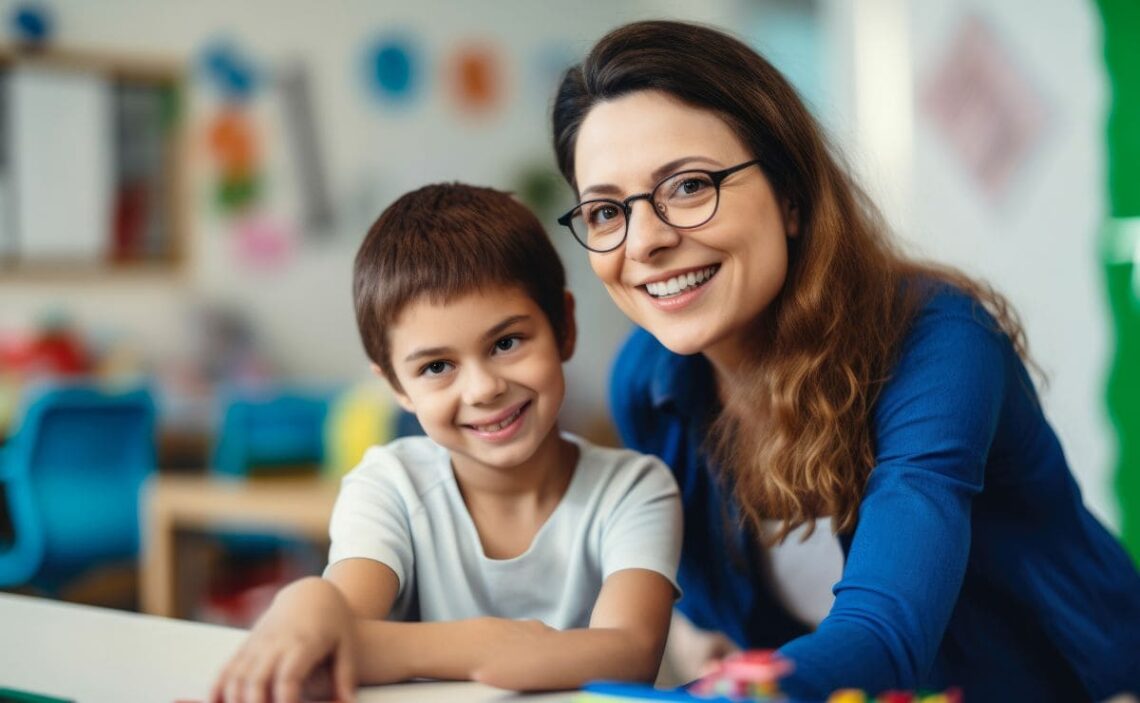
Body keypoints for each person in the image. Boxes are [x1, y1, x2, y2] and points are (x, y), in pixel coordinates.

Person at [550, 19, 1140, 702]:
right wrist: (693, 633)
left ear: (791, 197)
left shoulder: (939, 342)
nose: (644, 240)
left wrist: (734, 687)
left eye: (687, 186)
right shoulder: (649, 383)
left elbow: (884, 631)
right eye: (603, 211)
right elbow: (713, 614)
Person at [209, 183, 682, 703]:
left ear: (564, 327)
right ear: (395, 386)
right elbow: (336, 621)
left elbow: (630, 655)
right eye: (437, 367)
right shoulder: (390, 483)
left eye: (507, 343)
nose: (483, 389)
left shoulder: (636, 489)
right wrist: (309, 600)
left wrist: (474, 647)